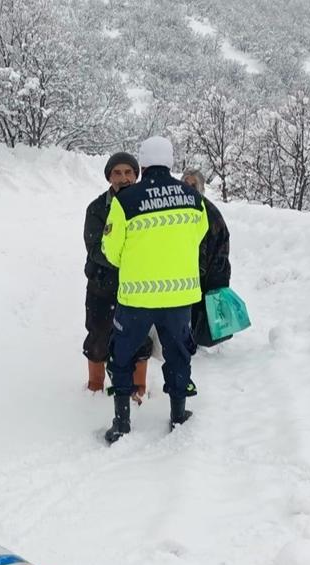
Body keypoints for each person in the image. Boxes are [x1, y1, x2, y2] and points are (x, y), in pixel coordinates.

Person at [101, 137, 208, 443]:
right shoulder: (192, 197)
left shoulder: (126, 200)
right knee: (178, 354)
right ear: (171, 162)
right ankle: (178, 414)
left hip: (137, 297)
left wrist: (138, 262)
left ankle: (121, 422)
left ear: (143, 164)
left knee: (122, 356)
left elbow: (111, 250)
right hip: (179, 297)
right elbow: (197, 236)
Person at [82, 152, 153, 400]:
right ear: (109, 177)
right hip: (102, 286)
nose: (123, 178)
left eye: (128, 172)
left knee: (139, 338)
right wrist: (128, 261)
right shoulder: (97, 208)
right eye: (117, 173)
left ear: (136, 175)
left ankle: (138, 388)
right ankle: (95, 386)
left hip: (138, 287)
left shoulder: (147, 205)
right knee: (98, 334)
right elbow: (94, 248)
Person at [181, 169, 231, 347]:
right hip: (184, 271)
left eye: (193, 185)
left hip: (207, 272)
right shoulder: (177, 210)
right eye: (185, 184)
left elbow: (222, 242)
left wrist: (217, 272)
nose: (189, 188)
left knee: (204, 312)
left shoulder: (210, 212)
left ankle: (199, 339)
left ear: (201, 188)